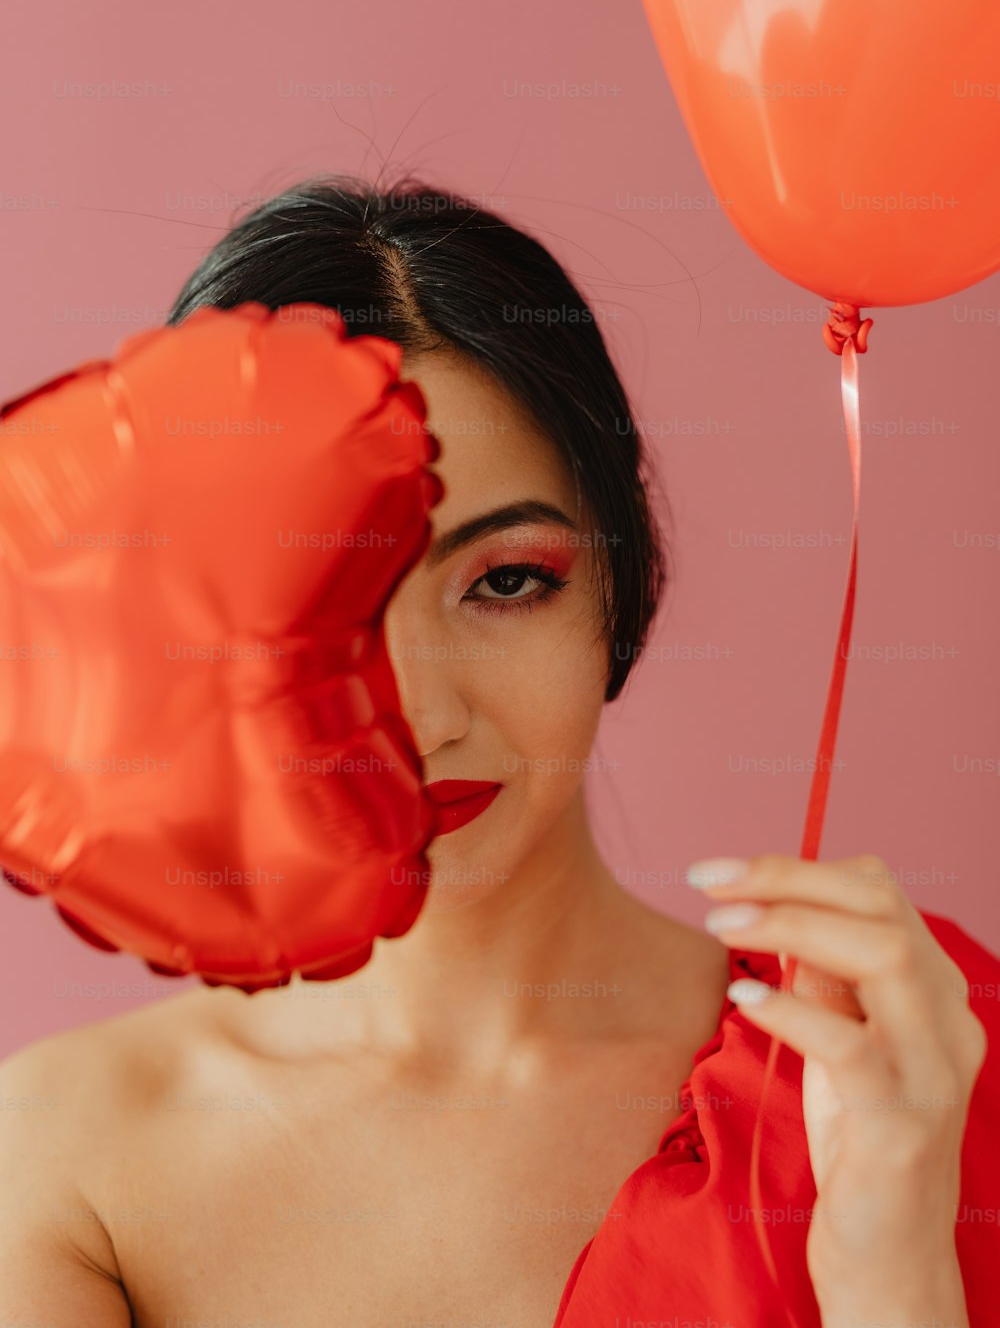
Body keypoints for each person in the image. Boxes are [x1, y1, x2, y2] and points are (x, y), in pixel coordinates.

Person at [0, 175, 997, 1328]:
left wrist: (893, 1276)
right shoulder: (63, 1163)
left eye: (505, 581)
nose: (420, 718)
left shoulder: (895, 1061)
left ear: (617, 573)